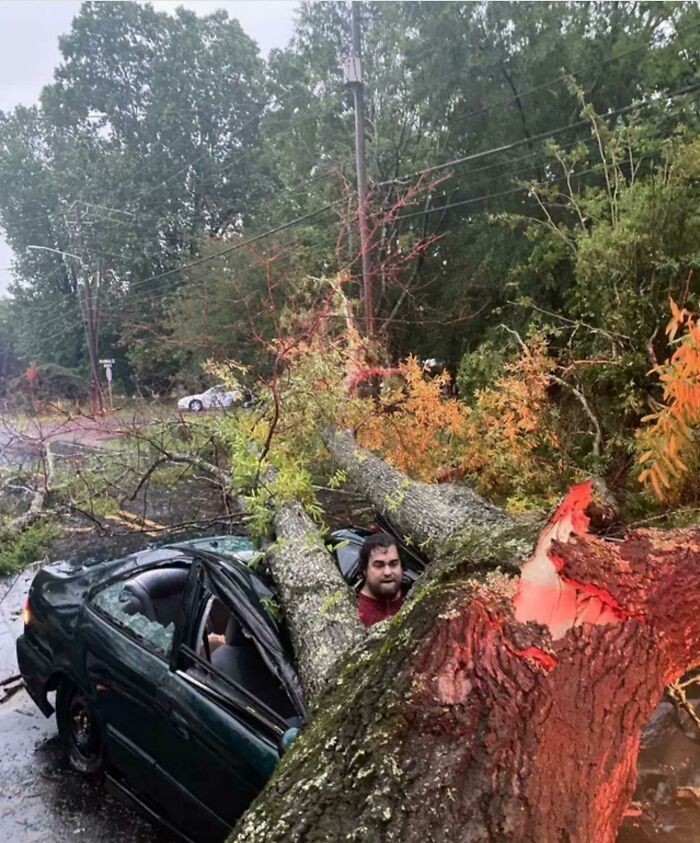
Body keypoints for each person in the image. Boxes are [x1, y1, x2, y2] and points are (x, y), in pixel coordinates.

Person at [356, 532, 404, 628]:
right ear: (365, 570)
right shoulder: (354, 612)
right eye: (379, 565)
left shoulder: (418, 594)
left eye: (393, 564)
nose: (387, 572)